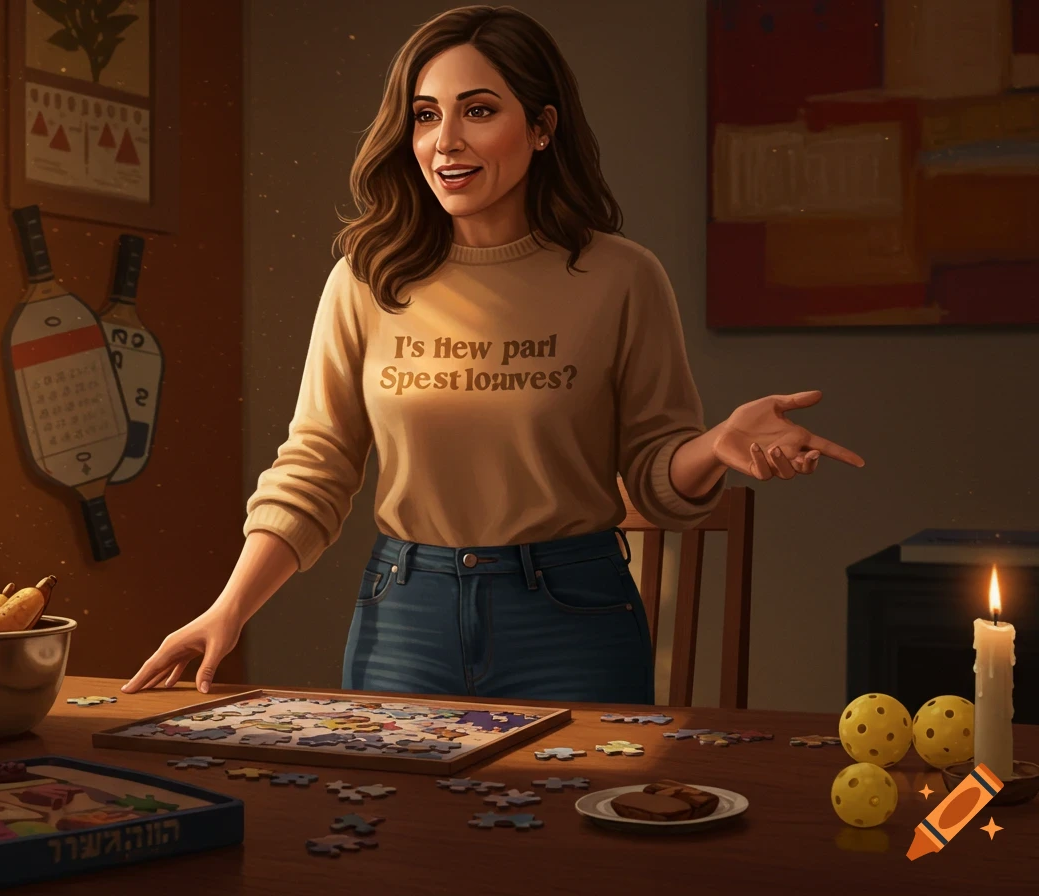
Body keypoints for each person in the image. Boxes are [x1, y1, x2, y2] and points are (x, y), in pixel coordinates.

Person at [122, 5, 863, 702]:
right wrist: (228, 611)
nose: (445, 142)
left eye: (478, 110)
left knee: (571, 838)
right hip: (404, 614)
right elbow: (314, 468)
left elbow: (653, 472)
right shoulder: (365, 279)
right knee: (400, 837)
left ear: (542, 126)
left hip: (574, 617)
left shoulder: (622, 277)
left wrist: (713, 446)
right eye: (425, 115)